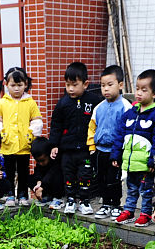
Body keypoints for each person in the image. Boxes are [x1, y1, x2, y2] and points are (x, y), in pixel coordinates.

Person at [111, 69, 155, 226]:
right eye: (137, 88)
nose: (139, 93)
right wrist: (116, 155)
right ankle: (129, 211)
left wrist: (153, 161)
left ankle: (145, 214)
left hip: (146, 165)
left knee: (146, 191)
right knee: (131, 189)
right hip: (130, 163)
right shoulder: (130, 113)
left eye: (144, 90)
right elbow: (119, 135)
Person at [48, 61, 101, 215]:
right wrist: (54, 145)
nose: (70, 89)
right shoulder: (62, 103)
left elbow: (99, 123)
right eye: (67, 84)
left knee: (85, 175)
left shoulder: (94, 101)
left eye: (74, 84)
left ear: (85, 84)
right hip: (67, 150)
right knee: (69, 175)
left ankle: (85, 201)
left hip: (86, 149)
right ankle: (70, 199)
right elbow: (56, 126)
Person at [0, 66, 42, 206]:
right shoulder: (2, 102)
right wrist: (1, 134)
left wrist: (31, 133)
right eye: (13, 85)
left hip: (24, 145)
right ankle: (10, 195)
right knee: (9, 172)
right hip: (7, 145)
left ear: (25, 84)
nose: (16, 88)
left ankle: (23, 194)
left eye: (20, 85)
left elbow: (36, 120)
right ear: (6, 84)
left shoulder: (30, 102)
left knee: (24, 171)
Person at [89, 64, 130, 219]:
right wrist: (92, 148)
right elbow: (91, 128)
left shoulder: (126, 107)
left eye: (110, 85)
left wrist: (121, 152)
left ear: (120, 85)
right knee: (101, 178)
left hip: (115, 151)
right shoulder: (99, 107)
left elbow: (128, 131)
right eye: (102, 85)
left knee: (114, 179)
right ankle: (105, 204)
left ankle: (115, 205)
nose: (105, 89)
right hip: (99, 150)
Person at [27, 138, 65, 204]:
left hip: (56, 184)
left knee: (57, 176)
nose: (40, 163)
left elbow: (51, 174)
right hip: (45, 185)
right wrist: (38, 183)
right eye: (37, 161)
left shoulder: (55, 159)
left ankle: (58, 198)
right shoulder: (40, 163)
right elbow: (37, 172)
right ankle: (45, 197)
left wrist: (42, 187)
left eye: (42, 160)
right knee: (30, 178)